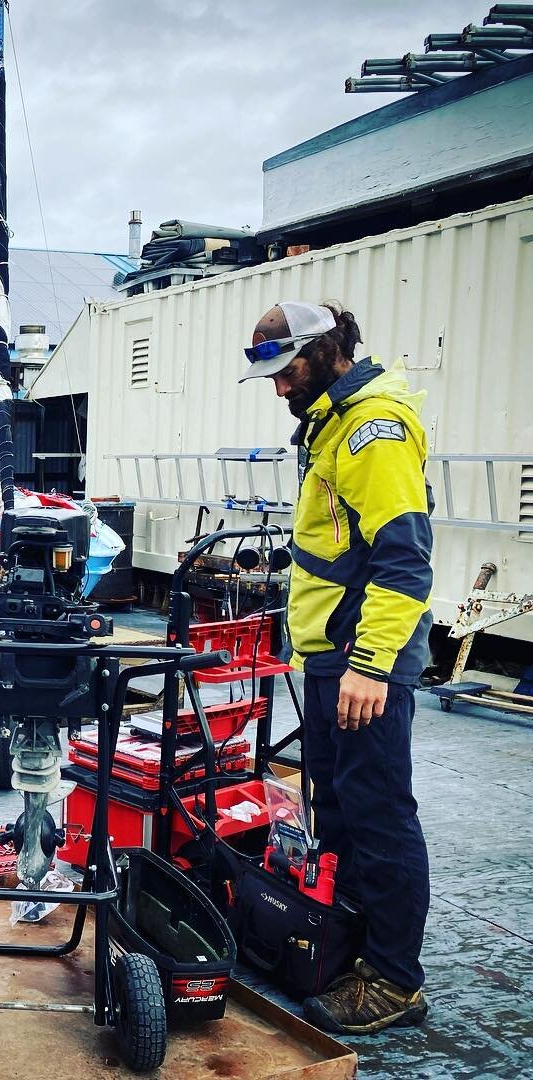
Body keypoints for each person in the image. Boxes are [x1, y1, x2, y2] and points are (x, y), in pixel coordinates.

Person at [239, 300, 432, 1035]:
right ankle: (355, 951)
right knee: (341, 811)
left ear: (322, 352)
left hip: (363, 663)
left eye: (285, 370)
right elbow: (338, 536)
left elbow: (403, 559)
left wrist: (372, 665)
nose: (279, 388)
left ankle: (394, 980)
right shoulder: (331, 421)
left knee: (379, 815)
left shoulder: (373, 429)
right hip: (331, 657)